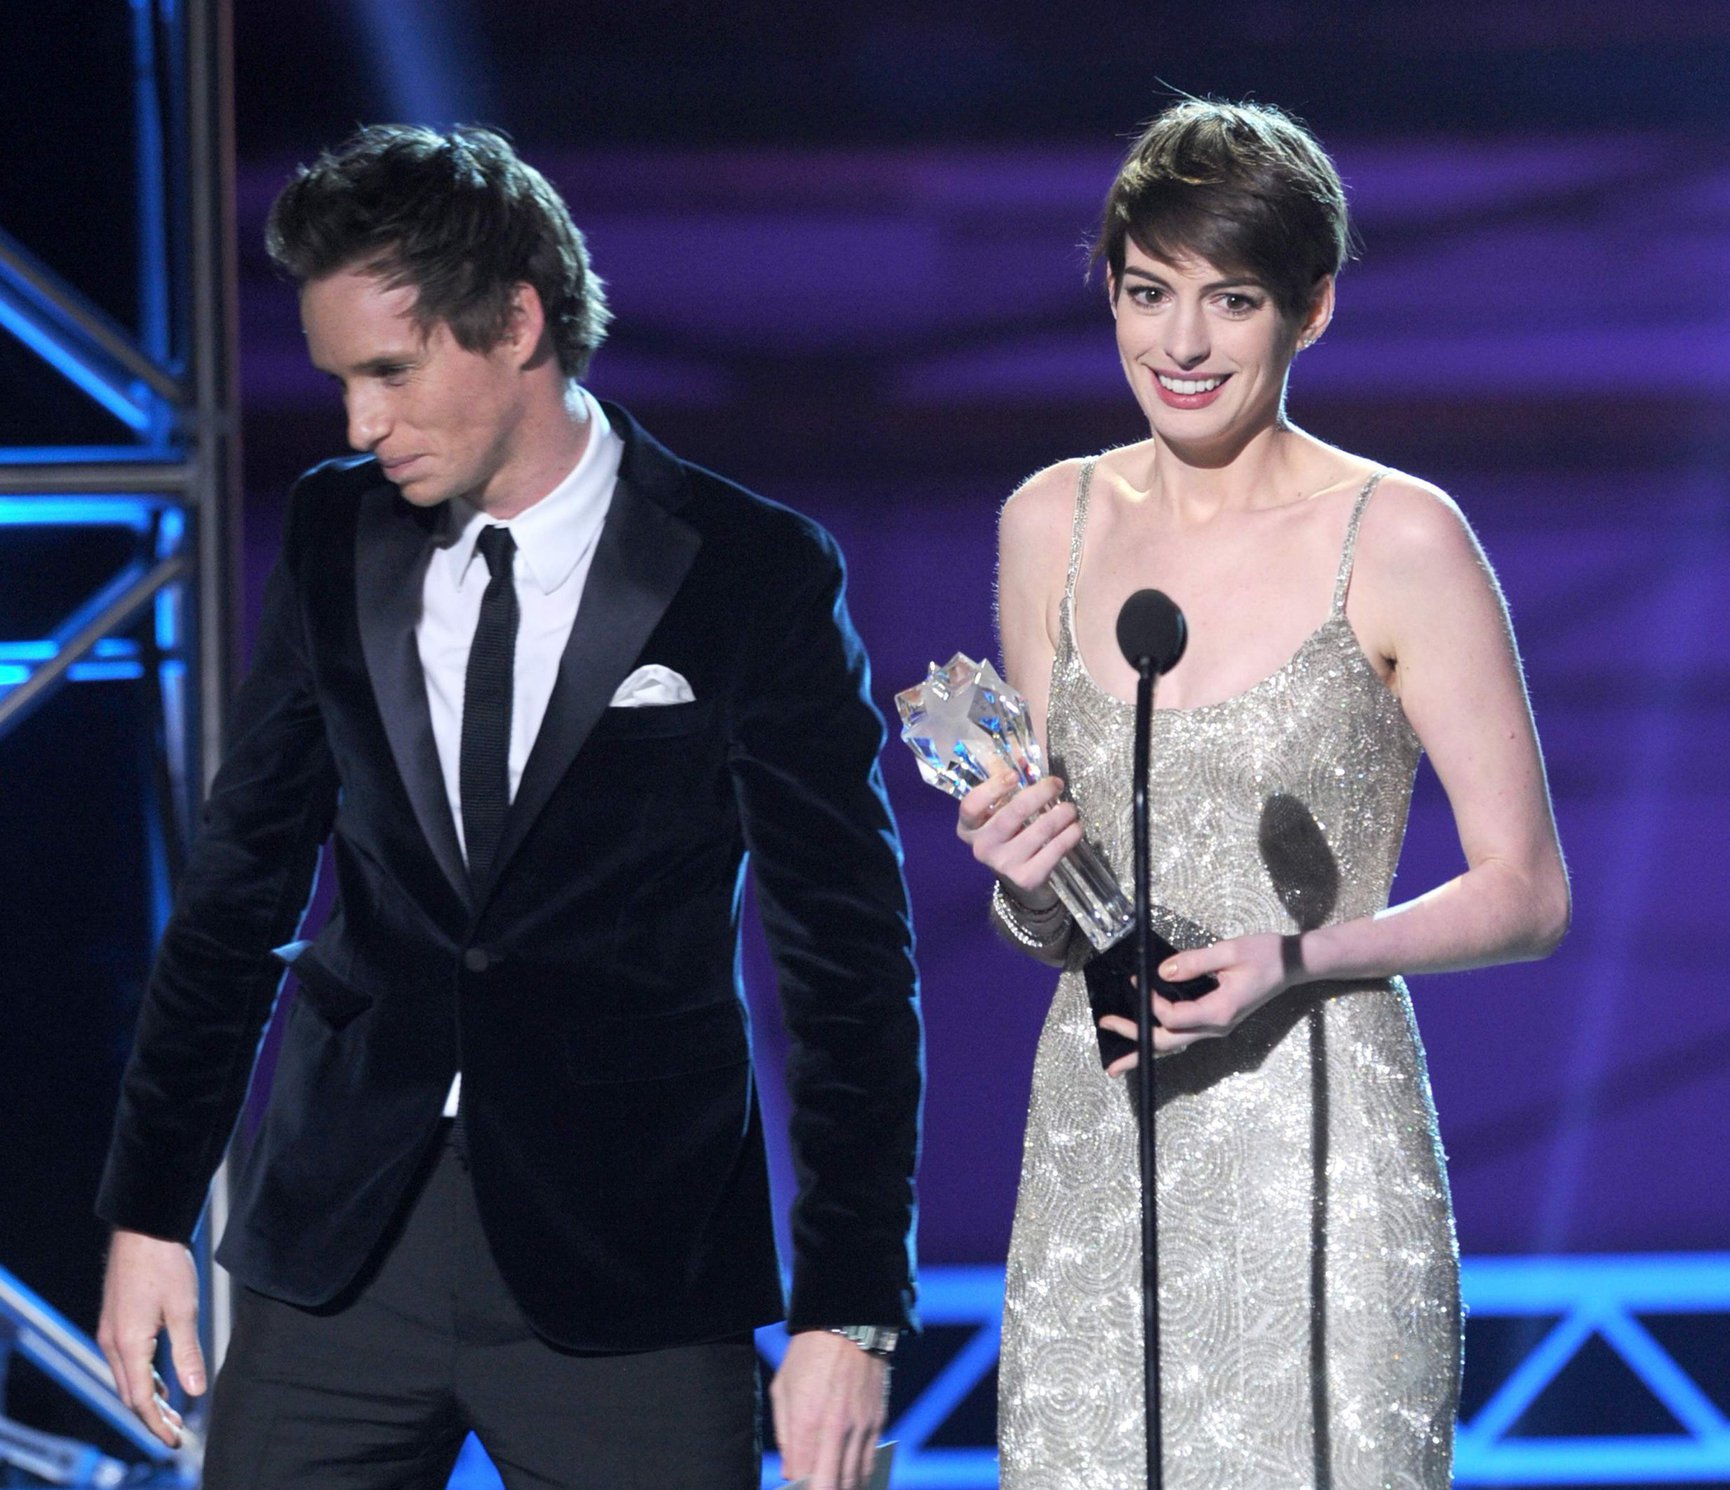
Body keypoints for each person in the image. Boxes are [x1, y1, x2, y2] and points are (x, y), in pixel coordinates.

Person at [94, 124, 921, 1490]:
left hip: (631, 1264)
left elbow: (847, 969)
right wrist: (145, 1212)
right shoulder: (333, 533)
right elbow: (239, 894)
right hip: (341, 1248)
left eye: (390, 372)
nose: (362, 422)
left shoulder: (748, 572)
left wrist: (848, 1304)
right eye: (341, 380)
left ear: (517, 320)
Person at [957, 100, 1569, 1488]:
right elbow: (1063, 905)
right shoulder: (1045, 522)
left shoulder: (1398, 535)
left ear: (1310, 310)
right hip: (1103, 1137)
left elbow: (1525, 892)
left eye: (1229, 301)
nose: (1179, 344)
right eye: (1146, 292)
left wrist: (1294, 959)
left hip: (1319, 1148)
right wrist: (1015, 866)